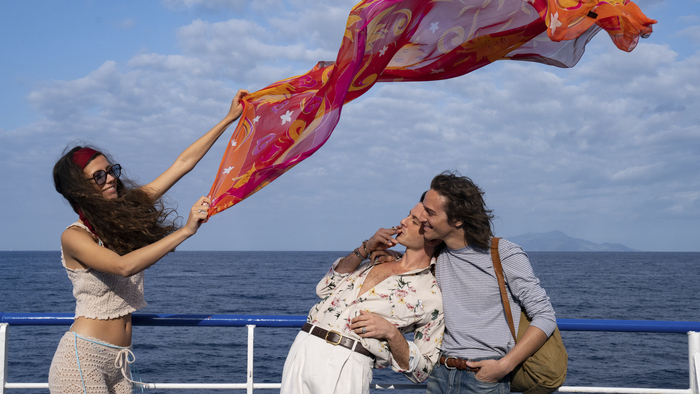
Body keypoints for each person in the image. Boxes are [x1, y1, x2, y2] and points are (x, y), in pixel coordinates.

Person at [48, 89, 248, 394]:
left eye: (111, 171)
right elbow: (123, 266)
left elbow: (183, 163)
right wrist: (184, 231)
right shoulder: (74, 237)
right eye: (98, 176)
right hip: (82, 359)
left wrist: (229, 119)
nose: (111, 178)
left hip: (119, 363)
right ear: (80, 189)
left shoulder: (124, 213)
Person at [280, 203, 445, 394]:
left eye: (414, 221)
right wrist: (365, 248)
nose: (403, 221)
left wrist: (392, 333)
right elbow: (324, 288)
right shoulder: (374, 260)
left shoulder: (431, 296)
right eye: (408, 215)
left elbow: (422, 371)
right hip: (304, 346)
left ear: (433, 239)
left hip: (347, 361)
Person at [420, 171, 557, 394]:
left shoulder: (503, 253)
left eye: (430, 212)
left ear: (457, 219)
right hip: (440, 373)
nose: (422, 217)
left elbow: (545, 315)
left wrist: (504, 365)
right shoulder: (435, 256)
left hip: (483, 377)